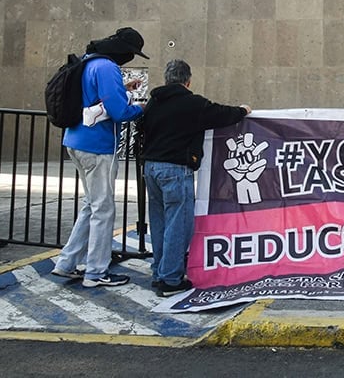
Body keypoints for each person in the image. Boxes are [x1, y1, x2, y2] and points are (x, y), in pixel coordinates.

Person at [139, 59, 252, 297]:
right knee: (178, 225)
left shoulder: (154, 102)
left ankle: (159, 272)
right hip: (175, 170)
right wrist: (243, 110)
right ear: (188, 81)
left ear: (167, 79)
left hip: (151, 168)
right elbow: (223, 114)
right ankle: (171, 280)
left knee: (159, 222)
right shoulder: (192, 103)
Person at [51, 27, 148, 287]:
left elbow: (92, 96)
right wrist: (141, 108)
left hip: (75, 140)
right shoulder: (107, 67)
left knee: (91, 205)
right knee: (103, 210)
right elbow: (119, 112)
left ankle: (66, 263)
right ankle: (96, 272)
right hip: (97, 147)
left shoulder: (88, 61)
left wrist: (123, 88)